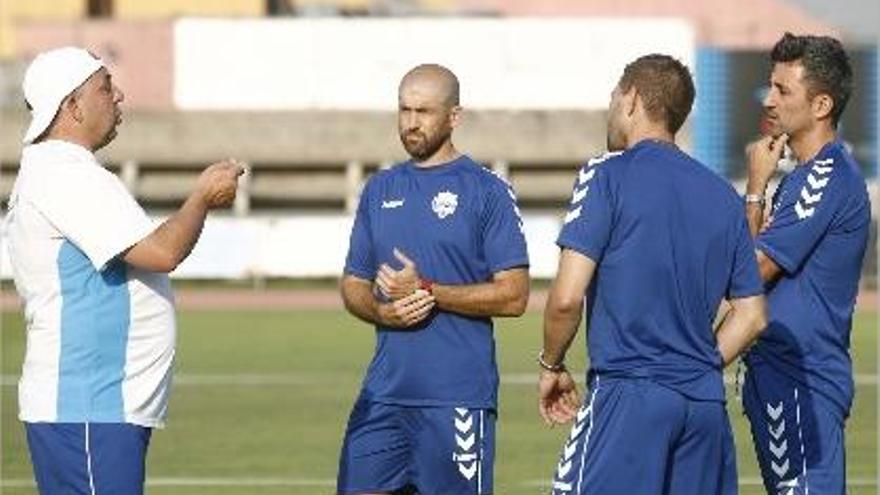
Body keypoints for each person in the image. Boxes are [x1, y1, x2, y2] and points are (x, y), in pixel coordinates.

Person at [6, 47, 243, 494]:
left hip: (92, 408)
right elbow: (161, 252)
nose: (119, 96)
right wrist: (202, 198)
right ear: (71, 106)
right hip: (89, 408)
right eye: (105, 87)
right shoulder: (65, 174)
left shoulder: (56, 172)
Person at [537, 54, 768, 494]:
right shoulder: (722, 194)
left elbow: (567, 297)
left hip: (629, 397)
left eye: (612, 97)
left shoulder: (605, 175)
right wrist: (695, 366)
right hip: (703, 405)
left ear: (632, 99)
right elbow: (752, 315)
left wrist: (552, 364)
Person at [337, 63, 529, 495]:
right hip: (384, 396)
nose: (410, 123)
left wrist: (428, 291)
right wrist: (383, 312)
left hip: (457, 398)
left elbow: (515, 296)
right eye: (404, 110)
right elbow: (352, 284)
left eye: (423, 112)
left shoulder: (488, 192)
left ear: (454, 117)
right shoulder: (380, 189)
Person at [742, 33, 870, 494]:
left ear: (821, 105)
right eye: (769, 86)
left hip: (801, 381)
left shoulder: (824, 177)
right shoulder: (803, 178)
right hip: (780, 377)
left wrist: (755, 187)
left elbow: (749, 273)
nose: (769, 100)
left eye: (783, 90)